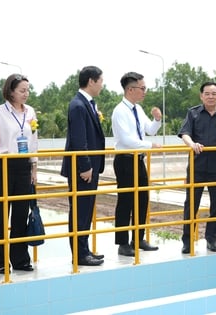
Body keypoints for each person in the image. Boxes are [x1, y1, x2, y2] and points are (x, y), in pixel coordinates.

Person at [0, 74, 39, 273]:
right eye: (22, 90)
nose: (26, 94)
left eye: (28, 90)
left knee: (21, 213)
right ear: (11, 91)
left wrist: (34, 167)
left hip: (23, 166)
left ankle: (20, 259)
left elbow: (33, 141)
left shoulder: (30, 111)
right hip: (2, 165)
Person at [179, 82, 216, 254]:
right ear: (201, 96)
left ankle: (212, 239)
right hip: (197, 166)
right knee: (191, 204)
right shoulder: (193, 113)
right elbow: (185, 133)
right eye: (207, 93)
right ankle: (188, 241)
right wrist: (192, 144)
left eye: (214, 93)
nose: (211, 96)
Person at [112, 72, 162, 257]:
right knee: (125, 201)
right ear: (130, 89)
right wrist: (151, 146)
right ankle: (123, 243)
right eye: (142, 88)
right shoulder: (120, 111)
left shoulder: (137, 109)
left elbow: (149, 130)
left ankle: (138, 238)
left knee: (142, 199)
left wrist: (157, 120)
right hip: (125, 159)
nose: (144, 92)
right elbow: (127, 139)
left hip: (138, 159)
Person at [60, 66, 106, 266]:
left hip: (90, 167)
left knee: (86, 210)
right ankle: (79, 254)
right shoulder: (78, 105)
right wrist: (85, 166)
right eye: (101, 81)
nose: (102, 85)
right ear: (91, 81)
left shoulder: (87, 104)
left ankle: (84, 249)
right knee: (80, 210)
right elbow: (79, 140)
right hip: (83, 168)